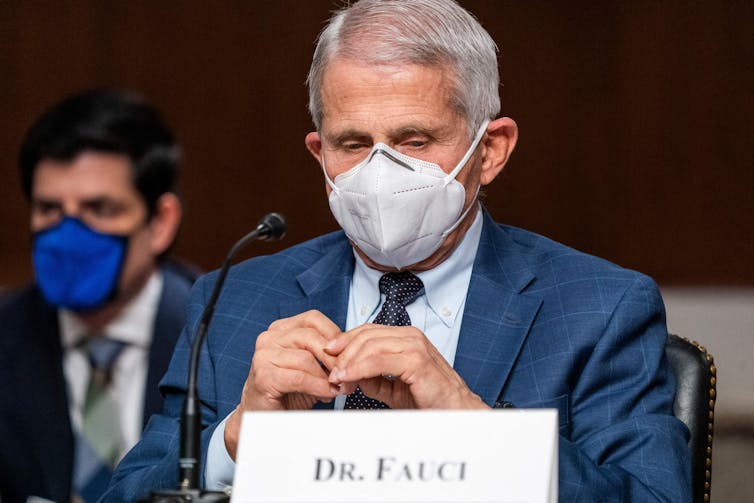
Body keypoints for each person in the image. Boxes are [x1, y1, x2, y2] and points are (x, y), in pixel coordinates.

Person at [105, 1, 691, 501]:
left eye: (414, 140)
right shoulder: (233, 298)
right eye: (353, 143)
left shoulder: (599, 307)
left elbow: (651, 495)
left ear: (491, 150)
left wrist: (472, 426)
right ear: (319, 155)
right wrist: (235, 441)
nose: (380, 170)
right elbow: (130, 491)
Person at [0, 89, 196, 503]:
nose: (69, 234)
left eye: (100, 209)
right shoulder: (5, 333)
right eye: (50, 209)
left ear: (160, 222)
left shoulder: (220, 331)